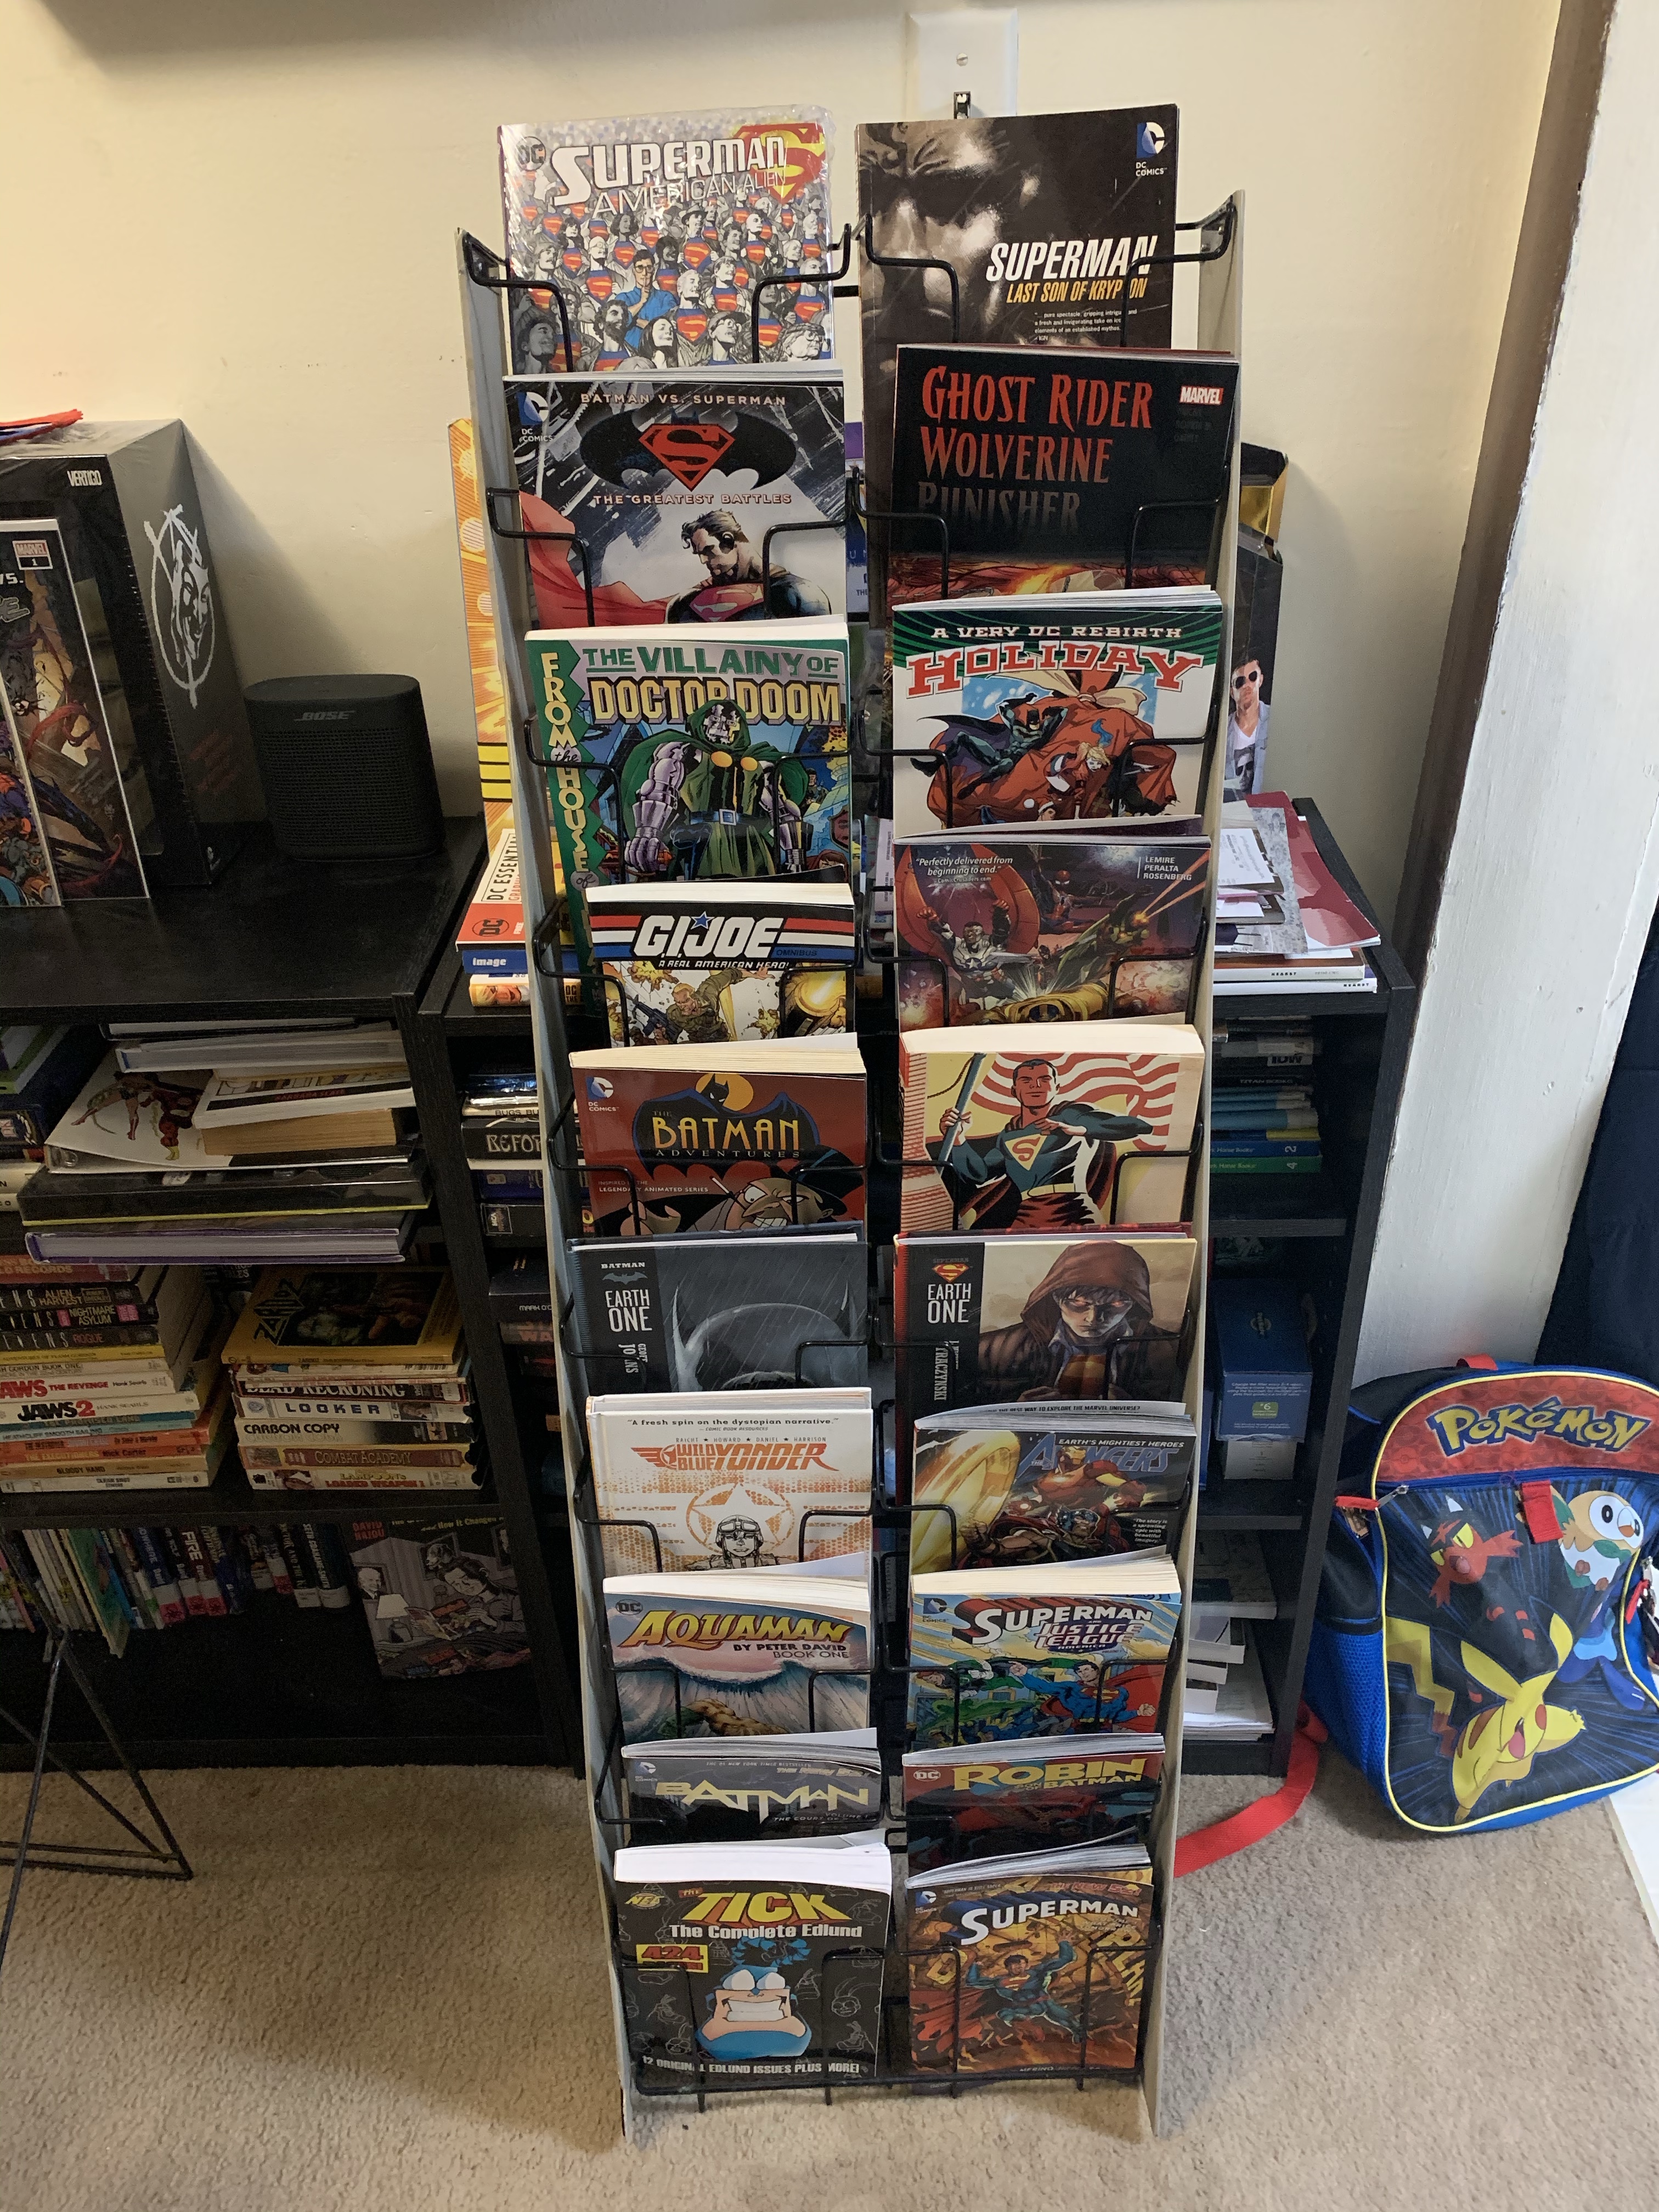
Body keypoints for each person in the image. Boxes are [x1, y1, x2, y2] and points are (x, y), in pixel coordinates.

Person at [935, 1058, 1153, 1232]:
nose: (1036, 1085)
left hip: (1074, 1211)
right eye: (1026, 1080)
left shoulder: (1071, 1114)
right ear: (1014, 1091)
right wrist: (958, 1139)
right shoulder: (1008, 1135)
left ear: (1057, 1087)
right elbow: (980, 1175)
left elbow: (1138, 1127)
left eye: (1044, 1079)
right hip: (1027, 1217)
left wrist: (1077, 1129)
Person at [666, 507, 830, 623]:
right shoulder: (686, 602)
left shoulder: (800, 594)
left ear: (729, 541)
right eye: (700, 554)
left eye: (709, 551)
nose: (704, 561)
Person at [1227, 652, 1269, 796]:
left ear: (1260, 680)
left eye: (1253, 677)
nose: (1246, 685)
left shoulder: (1278, 720)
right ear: (1232, 692)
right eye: (1240, 682)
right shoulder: (1222, 731)